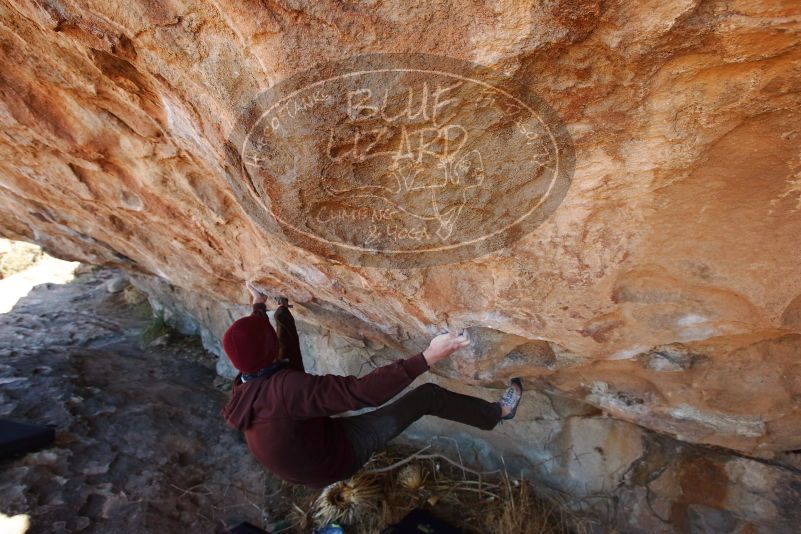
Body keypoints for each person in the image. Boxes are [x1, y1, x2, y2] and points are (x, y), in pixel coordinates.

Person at [221, 281, 523, 488]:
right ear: (269, 350)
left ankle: (491, 413)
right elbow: (362, 394)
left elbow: (279, 359)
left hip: (308, 454)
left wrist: (267, 307)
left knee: (300, 390)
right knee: (427, 396)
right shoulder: (285, 390)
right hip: (337, 457)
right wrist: (429, 356)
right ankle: (496, 414)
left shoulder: (246, 383)